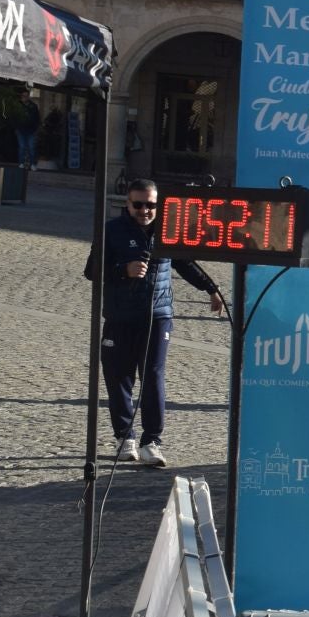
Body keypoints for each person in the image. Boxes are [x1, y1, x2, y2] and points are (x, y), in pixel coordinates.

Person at [96, 179, 224, 467]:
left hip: (158, 314)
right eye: (138, 204)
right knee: (119, 378)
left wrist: (210, 288)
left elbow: (185, 263)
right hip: (120, 315)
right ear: (128, 204)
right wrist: (124, 270)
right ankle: (124, 437)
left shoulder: (168, 231)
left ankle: (151, 441)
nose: (145, 210)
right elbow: (93, 269)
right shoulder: (112, 230)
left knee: (152, 376)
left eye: (151, 205)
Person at [14, 88, 41, 170]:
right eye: (23, 96)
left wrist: (36, 129)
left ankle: (32, 164)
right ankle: (21, 163)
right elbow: (14, 117)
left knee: (31, 147)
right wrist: (16, 128)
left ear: (29, 96)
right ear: (21, 96)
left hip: (31, 130)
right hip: (20, 130)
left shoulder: (33, 106)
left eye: (26, 96)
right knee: (22, 147)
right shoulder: (18, 105)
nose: (25, 97)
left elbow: (37, 118)